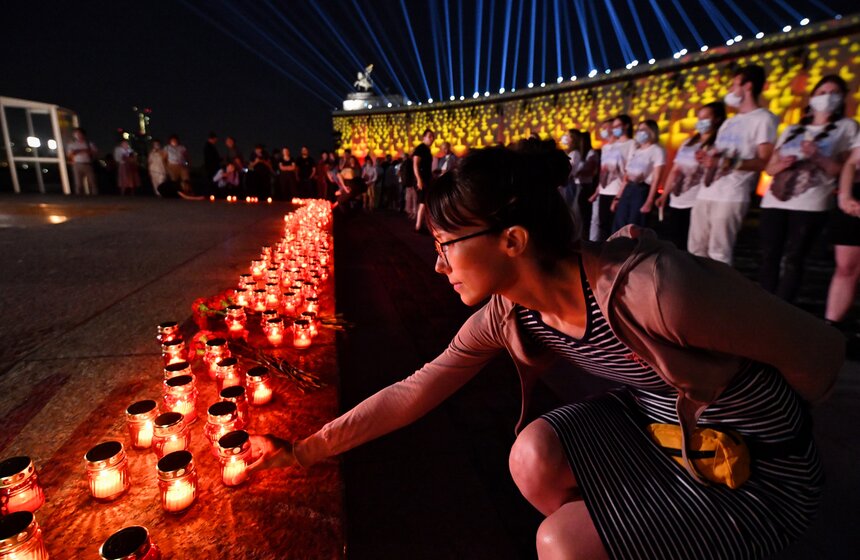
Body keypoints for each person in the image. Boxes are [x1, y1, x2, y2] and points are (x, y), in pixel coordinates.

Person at [251, 143, 843, 559]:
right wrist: (304, 451)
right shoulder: (512, 311)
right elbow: (414, 390)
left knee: (559, 543)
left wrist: (761, 434)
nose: (437, 265)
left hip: (760, 470)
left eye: (446, 246)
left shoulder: (654, 290)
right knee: (531, 453)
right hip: (656, 428)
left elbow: (821, 350)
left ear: (512, 240)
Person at [760, 75, 856, 303]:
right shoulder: (792, 129)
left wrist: (818, 157)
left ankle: (782, 307)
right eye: (822, 92)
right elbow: (769, 169)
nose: (827, 97)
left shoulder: (846, 127)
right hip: (774, 201)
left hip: (811, 203)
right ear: (813, 97)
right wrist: (781, 164)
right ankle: (762, 303)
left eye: (834, 93)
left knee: (794, 258)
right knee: (768, 255)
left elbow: (842, 169)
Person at [689, 65, 778, 265]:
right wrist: (708, 158)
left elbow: (764, 160)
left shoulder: (764, 118)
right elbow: (719, 154)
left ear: (748, 86)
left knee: (718, 252)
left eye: (733, 85)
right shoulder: (729, 122)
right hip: (707, 191)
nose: (730, 90)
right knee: (695, 249)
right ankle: (695, 292)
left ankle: (719, 294)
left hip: (732, 194)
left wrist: (727, 162)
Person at [655, 102, 726, 251]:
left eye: (706, 118)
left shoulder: (718, 144)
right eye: (700, 118)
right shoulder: (688, 143)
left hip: (696, 202)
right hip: (676, 200)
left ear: (718, 119)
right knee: (674, 242)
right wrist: (664, 195)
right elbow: (675, 170)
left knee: (693, 245)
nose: (701, 122)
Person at [825, 130, 860, 335]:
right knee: (846, 267)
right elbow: (852, 162)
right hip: (855, 199)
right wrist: (845, 196)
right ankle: (831, 327)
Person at [611, 120, 665, 231]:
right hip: (628, 189)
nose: (640, 133)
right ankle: (618, 247)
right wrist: (617, 197)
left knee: (634, 226)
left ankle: (632, 248)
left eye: (643, 130)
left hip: (641, 190)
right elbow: (626, 176)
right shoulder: (636, 150)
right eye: (639, 130)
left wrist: (649, 201)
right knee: (619, 224)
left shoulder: (657, 150)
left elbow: (656, 178)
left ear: (652, 131)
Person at [590, 116, 634, 241]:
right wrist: (597, 191)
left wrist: (619, 195)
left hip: (617, 190)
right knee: (603, 224)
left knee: (615, 226)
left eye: (616, 126)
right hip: (604, 190)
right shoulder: (607, 147)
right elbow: (604, 171)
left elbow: (627, 170)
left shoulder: (630, 144)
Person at [413, 128, 436, 231]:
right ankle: (418, 226)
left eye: (433, 137)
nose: (432, 139)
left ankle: (421, 225)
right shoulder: (420, 149)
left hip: (426, 179)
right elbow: (415, 164)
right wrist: (419, 179)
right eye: (430, 136)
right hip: (422, 179)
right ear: (424, 137)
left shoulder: (427, 150)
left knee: (424, 202)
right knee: (423, 202)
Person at [66, 128, 98, 195]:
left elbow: (94, 152)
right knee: (78, 184)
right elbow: (69, 154)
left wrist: (79, 151)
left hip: (87, 164)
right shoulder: (72, 144)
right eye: (76, 134)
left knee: (92, 182)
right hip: (77, 164)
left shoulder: (89, 144)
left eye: (79, 133)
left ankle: (95, 198)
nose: (78, 135)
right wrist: (81, 151)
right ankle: (79, 199)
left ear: (83, 135)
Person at [203, 132, 222, 196]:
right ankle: (210, 194)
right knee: (212, 180)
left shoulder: (209, 146)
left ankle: (210, 194)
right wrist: (219, 160)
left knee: (211, 180)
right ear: (213, 139)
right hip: (211, 167)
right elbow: (212, 158)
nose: (216, 141)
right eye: (215, 139)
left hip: (210, 166)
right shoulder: (209, 147)